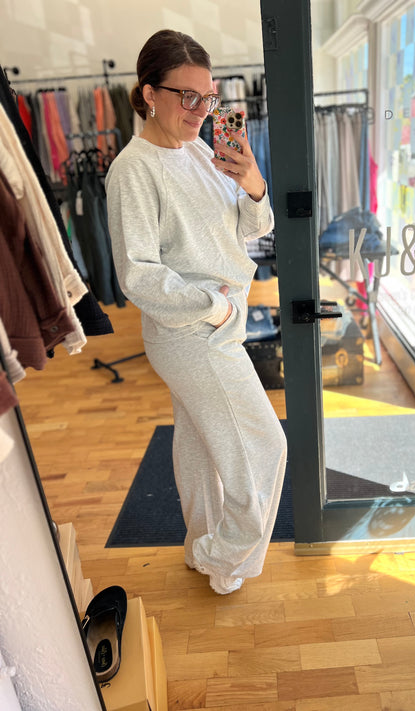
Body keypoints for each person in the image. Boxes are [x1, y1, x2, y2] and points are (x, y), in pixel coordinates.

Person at [105, 29, 287, 595]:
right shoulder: (133, 169)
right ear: (149, 94)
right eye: (186, 96)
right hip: (193, 330)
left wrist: (253, 183)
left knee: (202, 444)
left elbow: (253, 228)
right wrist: (215, 309)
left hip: (213, 323)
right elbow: (137, 273)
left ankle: (201, 549)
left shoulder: (203, 151)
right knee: (265, 448)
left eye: (208, 97)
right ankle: (225, 557)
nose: (201, 109)